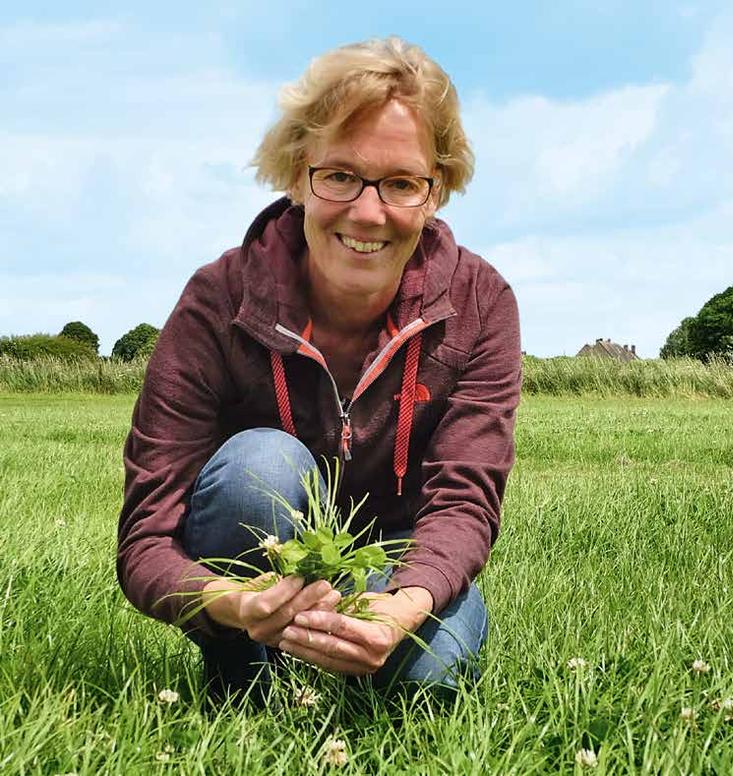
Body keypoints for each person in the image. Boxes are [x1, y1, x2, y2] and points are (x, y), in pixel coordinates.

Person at [116, 37, 521, 703]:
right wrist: (230, 604)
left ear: (436, 192)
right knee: (258, 468)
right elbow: (145, 542)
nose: (368, 212)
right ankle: (246, 683)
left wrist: (405, 603)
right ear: (299, 175)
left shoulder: (481, 303)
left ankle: (368, 655)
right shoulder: (219, 299)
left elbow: (464, 499)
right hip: (256, 572)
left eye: (401, 183)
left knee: (431, 680)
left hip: (391, 561)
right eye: (340, 175)